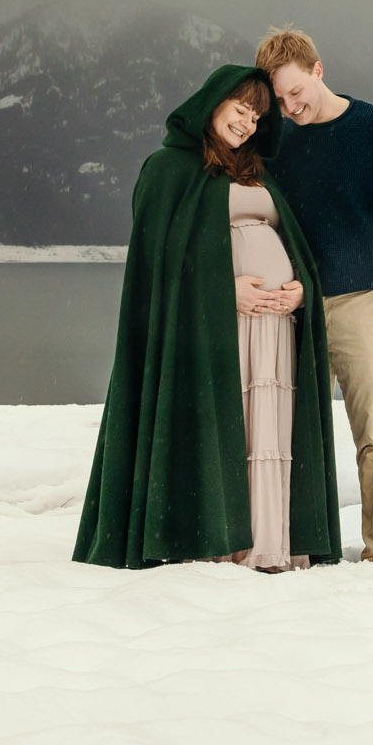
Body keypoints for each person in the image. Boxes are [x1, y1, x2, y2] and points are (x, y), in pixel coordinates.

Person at [72, 65, 343, 571]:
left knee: (269, 432)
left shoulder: (258, 173)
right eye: (241, 109)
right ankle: (218, 543)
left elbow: (294, 244)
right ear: (213, 103)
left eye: (258, 116)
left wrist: (302, 289)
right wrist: (221, 291)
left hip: (275, 328)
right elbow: (159, 264)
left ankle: (268, 547)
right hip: (211, 330)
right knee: (227, 429)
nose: (248, 123)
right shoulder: (169, 169)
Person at [256, 28, 373, 564]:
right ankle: (302, 547)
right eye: (279, 100)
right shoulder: (279, 143)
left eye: (294, 93)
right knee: (294, 439)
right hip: (298, 309)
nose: (288, 108)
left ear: (318, 70)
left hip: (366, 306)